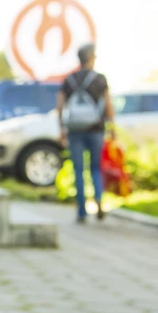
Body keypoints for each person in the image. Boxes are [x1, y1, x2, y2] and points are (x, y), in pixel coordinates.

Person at [57, 43, 115, 223]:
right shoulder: (99, 79)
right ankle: (98, 198)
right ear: (91, 58)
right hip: (96, 129)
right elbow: (108, 105)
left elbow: (60, 106)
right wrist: (112, 127)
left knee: (79, 170)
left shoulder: (69, 80)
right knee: (96, 168)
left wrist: (61, 129)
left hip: (75, 130)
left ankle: (82, 211)